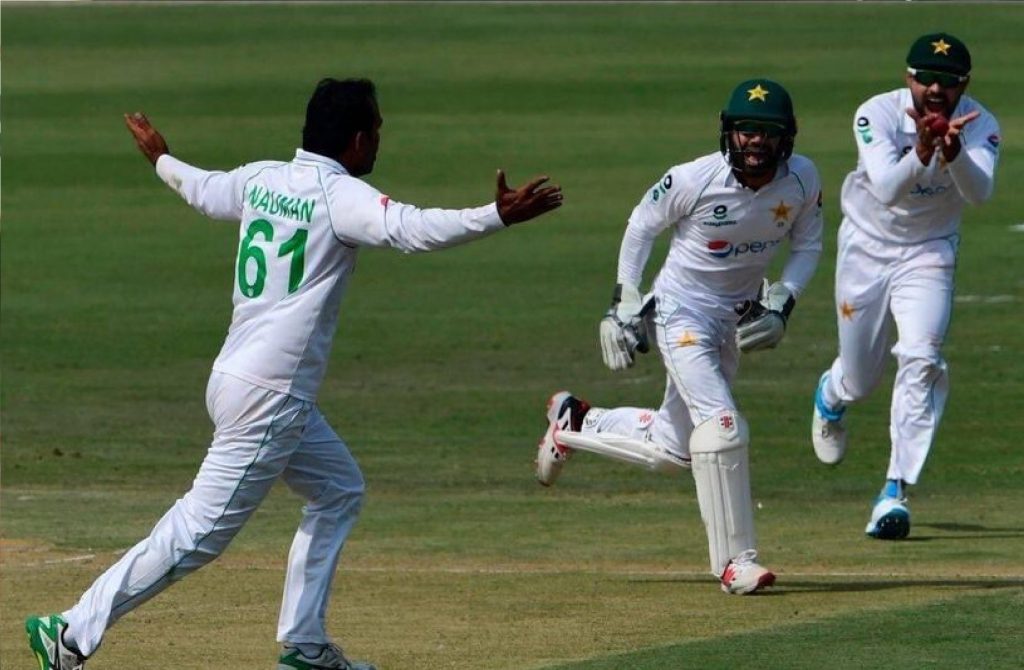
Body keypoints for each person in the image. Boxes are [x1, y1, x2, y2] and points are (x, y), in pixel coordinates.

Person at [25, 77, 563, 670]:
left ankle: (305, 646)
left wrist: (161, 158)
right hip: (270, 397)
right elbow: (412, 229)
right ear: (356, 140)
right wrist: (497, 215)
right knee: (199, 532)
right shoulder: (339, 197)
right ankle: (70, 631)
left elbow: (202, 190)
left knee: (338, 490)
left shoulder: (262, 178)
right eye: (376, 130)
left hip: (238, 379)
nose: (379, 140)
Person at [535, 79, 823, 595]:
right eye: (746, 130)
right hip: (680, 314)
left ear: (788, 137)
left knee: (675, 449)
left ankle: (576, 421)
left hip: (734, 320)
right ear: (728, 132)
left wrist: (783, 302)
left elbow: (808, 245)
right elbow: (641, 226)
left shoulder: (802, 179)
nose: (756, 142)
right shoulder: (693, 178)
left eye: (767, 132)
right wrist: (624, 303)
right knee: (722, 425)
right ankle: (735, 563)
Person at [810, 33, 1000, 540]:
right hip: (866, 249)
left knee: (921, 357)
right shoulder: (875, 114)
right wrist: (921, 150)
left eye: (948, 81)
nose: (936, 89)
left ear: (965, 84)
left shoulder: (981, 124)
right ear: (908, 78)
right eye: (926, 78)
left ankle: (894, 491)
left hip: (929, 253)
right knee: (860, 380)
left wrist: (954, 153)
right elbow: (889, 189)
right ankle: (832, 394)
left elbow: (980, 194)